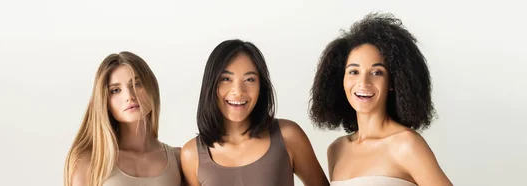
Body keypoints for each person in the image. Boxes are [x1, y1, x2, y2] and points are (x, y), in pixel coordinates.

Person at [309, 13, 453, 186]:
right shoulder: (336, 150)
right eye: (354, 72)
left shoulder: (406, 144)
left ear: (392, 82)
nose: (363, 83)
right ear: (341, 80)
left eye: (377, 72)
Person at [181, 39, 330, 186]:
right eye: (226, 79)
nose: (238, 91)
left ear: (261, 87)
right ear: (211, 85)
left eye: (249, 79)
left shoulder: (288, 135)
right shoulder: (191, 154)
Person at [64, 51, 184, 186]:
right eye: (115, 90)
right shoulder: (89, 161)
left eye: (136, 84)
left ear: (152, 87)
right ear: (105, 101)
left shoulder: (179, 159)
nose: (129, 96)